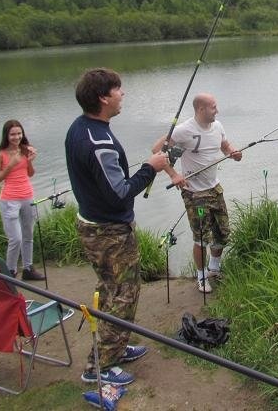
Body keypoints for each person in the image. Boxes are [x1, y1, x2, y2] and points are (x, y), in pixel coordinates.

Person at [65, 68, 169, 387]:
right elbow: (119, 193)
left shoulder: (81, 127)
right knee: (123, 293)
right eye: (118, 89)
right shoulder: (99, 142)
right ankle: (100, 366)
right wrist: (151, 168)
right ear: (103, 97)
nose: (123, 94)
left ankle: (116, 347)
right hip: (109, 233)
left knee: (110, 289)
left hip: (94, 224)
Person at [154, 93, 242, 293]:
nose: (217, 110)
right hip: (194, 194)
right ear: (201, 109)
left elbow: (225, 146)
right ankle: (201, 277)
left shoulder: (218, 126)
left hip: (215, 189)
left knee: (223, 232)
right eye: (213, 107)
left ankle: (214, 269)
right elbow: (156, 151)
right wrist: (173, 175)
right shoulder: (184, 130)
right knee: (201, 237)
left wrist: (233, 153)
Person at [0, 119, 45, 281]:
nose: (16, 137)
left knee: (28, 235)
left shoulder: (25, 150)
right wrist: (10, 165)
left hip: (27, 196)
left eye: (19, 133)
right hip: (9, 200)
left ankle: (28, 269)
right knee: (15, 239)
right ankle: (10, 271)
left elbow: (30, 174)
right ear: (6, 135)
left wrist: (29, 161)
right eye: (13, 134)